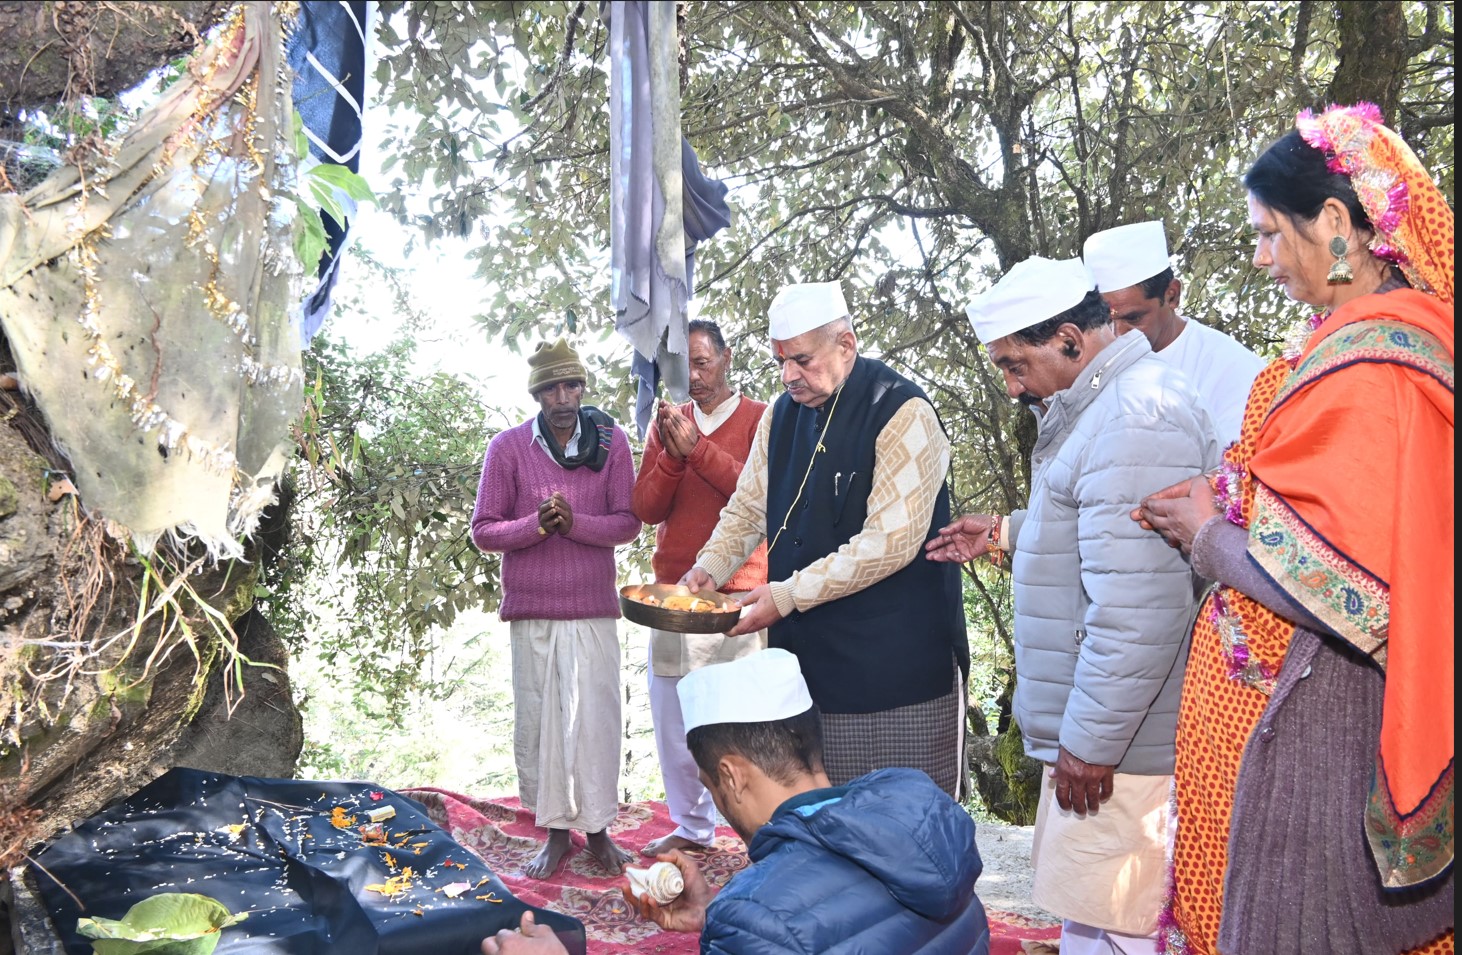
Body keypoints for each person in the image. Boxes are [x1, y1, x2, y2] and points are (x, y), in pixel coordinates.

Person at [1134, 103, 1454, 955]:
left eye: (1271, 232)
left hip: (1334, 731)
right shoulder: (1383, 345)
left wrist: (1207, 534)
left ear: (1337, 223)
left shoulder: (1369, 372)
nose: (1260, 255)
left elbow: (1340, 589)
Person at [926, 256, 1220, 955]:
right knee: (1090, 926)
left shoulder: (1135, 418)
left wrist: (1089, 742)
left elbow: (1138, 610)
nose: (1010, 386)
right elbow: (1096, 532)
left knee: (1123, 931)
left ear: (1068, 338)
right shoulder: (1108, 408)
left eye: (1015, 364)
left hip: (1126, 747)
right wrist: (1007, 532)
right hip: (1114, 735)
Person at [483, 648, 991, 954]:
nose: (717, 802)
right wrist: (719, 914)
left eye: (710, 786)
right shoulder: (921, 813)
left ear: (731, 774)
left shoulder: (754, 915)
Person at [681, 282, 969, 796]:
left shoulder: (902, 410)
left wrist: (788, 594)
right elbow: (748, 507)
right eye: (781, 362)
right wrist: (709, 569)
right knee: (822, 825)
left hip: (894, 674)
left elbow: (889, 542)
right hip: (805, 673)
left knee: (903, 826)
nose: (788, 375)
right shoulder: (780, 415)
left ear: (846, 345)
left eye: (802, 360)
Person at [470, 338, 641, 879]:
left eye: (571, 385)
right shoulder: (508, 448)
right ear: (537, 395)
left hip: (592, 609)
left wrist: (575, 524)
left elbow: (628, 523)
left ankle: (598, 831)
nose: (562, 397)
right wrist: (536, 526)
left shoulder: (612, 444)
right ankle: (556, 835)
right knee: (542, 724)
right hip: (534, 611)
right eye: (550, 388)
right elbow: (483, 531)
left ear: (583, 388)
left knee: (595, 723)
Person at [631, 318, 769, 857]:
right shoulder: (667, 423)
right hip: (672, 596)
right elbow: (646, 508)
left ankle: (758, 832)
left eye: (703, 362)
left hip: (738, 594)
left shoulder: (761, 418)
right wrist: (671, 454)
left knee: (741, 723)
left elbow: (759, 496)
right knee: (674, 724)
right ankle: (692, 828)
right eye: (682, 366)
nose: (693, 376)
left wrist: (697, 452)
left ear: (727, 358)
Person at [1083, 220, 1265, 446]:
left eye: (1133, 319)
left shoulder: (1230, 367)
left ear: (1172, 295)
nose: (1117, 334)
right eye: (1106, 321)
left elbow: (1238, 460)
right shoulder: (1096, 367)